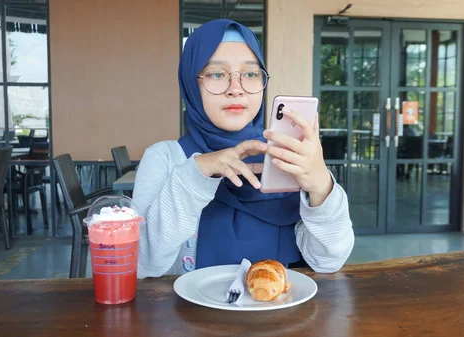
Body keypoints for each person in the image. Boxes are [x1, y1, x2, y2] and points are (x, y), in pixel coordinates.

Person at [133, 19, 354, 278]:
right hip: (188, 316)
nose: (236, 89)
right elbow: (141, 265)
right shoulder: (165, 158)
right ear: (191, 83)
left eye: (250, 74)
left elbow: (328, 262)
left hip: (282, 312)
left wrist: (321, 187)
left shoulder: (286, 155)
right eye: (217, 74)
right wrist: (197, 173)